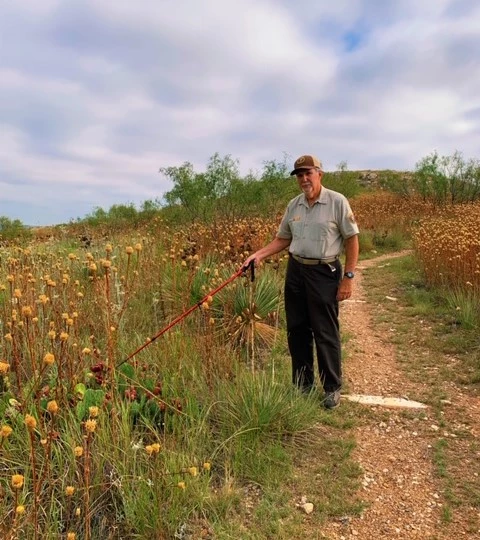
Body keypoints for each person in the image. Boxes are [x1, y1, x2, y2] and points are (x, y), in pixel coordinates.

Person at [243, 155, 359, 409]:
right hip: (296, 270)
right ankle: (302, 385)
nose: (304, 179)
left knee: (324, 330)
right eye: (299, 175)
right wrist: (258, 255)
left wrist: (348, 277)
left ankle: (331, 387)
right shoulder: (294, 205)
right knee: (297, 329)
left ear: (320, 174)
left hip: (324, 271)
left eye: (308, 173)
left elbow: (352, 239)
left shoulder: (337, 202)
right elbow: (283, 239)